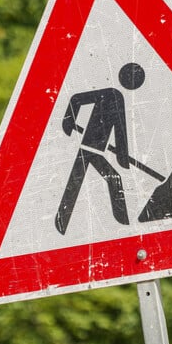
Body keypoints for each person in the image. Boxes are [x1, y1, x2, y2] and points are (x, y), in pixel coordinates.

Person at [54, 63, 145, 234]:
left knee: (82, 181)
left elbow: (119, 131)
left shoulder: (116, 97)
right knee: (108, 179)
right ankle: (61, 223)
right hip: (89, 149)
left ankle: (61, 223)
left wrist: (122, 156)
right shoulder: (111, 94)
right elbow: (76, 99)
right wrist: (68, 122)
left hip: (94, 151)